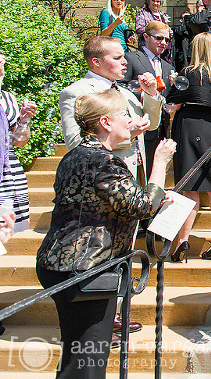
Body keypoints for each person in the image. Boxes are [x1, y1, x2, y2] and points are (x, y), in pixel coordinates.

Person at [36, 89, 175, 379]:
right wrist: (160, 162)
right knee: (87, 362)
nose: (131, 120)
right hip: (85, 268)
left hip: (66, 263)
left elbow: (119, 202)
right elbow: (141, 206)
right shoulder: (103, 161)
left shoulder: (76, 155)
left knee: (79, 356)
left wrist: (156, 195)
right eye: (125, 114)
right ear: (106, 122)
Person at [167, 33, 211, 262]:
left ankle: (182, 240)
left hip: (190, 127)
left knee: (189, 188)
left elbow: (171, 102)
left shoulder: (189, 73)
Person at [59, 35, 162, 180]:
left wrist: (151, 94)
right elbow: (75, 143)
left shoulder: (126, 93)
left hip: (135, 175)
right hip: (102, 178)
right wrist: (128, 134)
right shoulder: (77, 92)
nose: (125, 62)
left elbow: (151, 125)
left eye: (124, 57)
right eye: (117, 58)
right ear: (96, 61)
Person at [120, 21, 174, 176]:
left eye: (167, 40)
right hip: (139, 124)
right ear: (145, 36)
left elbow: (166, 98)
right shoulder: (131, 58)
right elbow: (120, 86)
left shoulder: (168, 66)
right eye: (159, 38)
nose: (163, 43)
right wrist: (143, 95)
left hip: (161, 127)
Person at [0, 55, 36, 233]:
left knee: (4, 233)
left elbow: (19, 142)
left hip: (8, 174)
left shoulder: (7, 98)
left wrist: (24, 121)